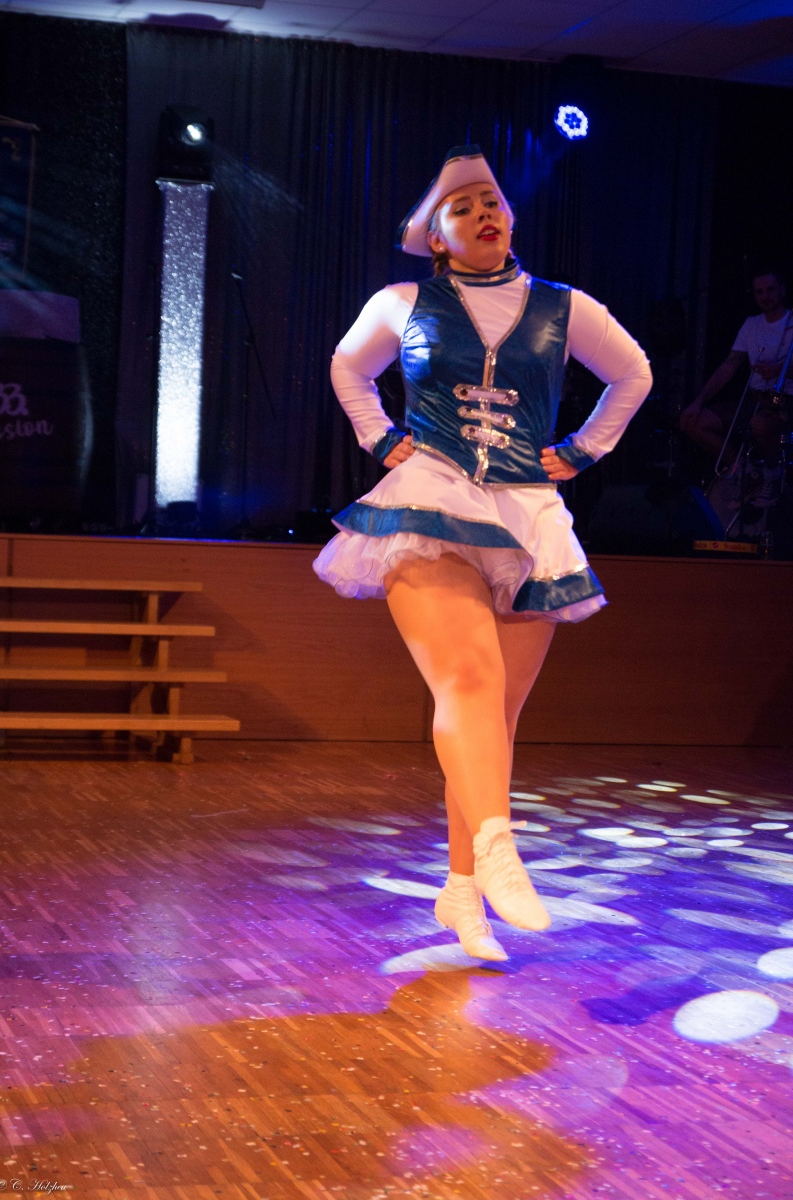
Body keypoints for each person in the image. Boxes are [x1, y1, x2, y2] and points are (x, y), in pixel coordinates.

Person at [314, 146, 652, 961]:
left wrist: (582, 449)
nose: (482, 214)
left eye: (491, 202)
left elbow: (634, 373)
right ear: (437, 237)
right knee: (467, 681)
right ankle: (502, 849)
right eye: (462, 208)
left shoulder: (563, 307)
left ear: (512, 217)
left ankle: (462, 888)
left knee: (494, 719)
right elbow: (348, 366)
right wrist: (378, 436)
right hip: (430, 498)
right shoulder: (402, 302)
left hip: (528, 512)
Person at [680, 269, 793, 477]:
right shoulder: (751, 324)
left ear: (782, 290)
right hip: (755, 399)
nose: (765, 296)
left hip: (786, 401)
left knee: (759, 424)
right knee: (693, 421)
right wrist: (699, 401)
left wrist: (779, 370)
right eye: (759, 292)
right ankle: (744, 469)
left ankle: (772, 475)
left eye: (770, 290)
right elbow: (729, 365)